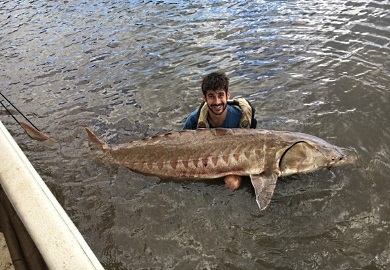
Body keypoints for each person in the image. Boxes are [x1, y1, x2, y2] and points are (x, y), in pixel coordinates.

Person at [183, 71, 257, 190]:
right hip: (205, 160)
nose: (217, 102)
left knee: (232, 183)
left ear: (228, 95)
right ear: (204, 98)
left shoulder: (240, 117)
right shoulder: (194, 120)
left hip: (235, 162)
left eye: (220, 95)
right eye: (211, 96)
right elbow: (181, 145)